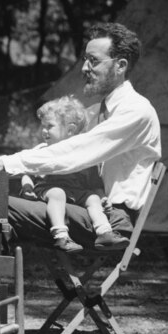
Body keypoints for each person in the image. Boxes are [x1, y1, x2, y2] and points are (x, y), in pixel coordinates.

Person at [0, 22, 161, 251]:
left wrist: (1, 165)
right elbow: (52, 150)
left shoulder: (136, 111)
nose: (84, 68)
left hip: (111, 221)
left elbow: (76, 152)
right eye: (85, 59)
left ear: (120, 66)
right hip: (85, 205)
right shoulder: (95, 112)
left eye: (93, 60)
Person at [18, 95, 112, 253]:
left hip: (75, 192)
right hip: (47, 190)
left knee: (93, 198)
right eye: (43, 126)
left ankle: (104, 232)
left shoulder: (83, 154)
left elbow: (94, 182)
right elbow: (26, 172)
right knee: (58, 193)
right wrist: (27, 187)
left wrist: (102, 197)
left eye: (50, 126)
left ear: (70, 130)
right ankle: (61, 235)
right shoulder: (42, 150)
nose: (44, 131)